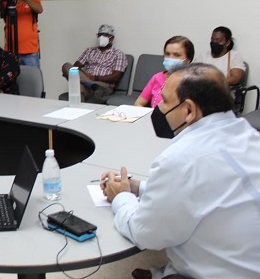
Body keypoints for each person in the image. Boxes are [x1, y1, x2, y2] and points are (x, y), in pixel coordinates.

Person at [101, 63, 260, 279]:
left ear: (188, 111)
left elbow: (144, 234)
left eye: (165, 101)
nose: (159, 108)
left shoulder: (181, 159)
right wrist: (139, 187)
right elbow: (206, 190)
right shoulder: (250, 137)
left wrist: (122, 196)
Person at [61, 24, 128, 101]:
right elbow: (75, 67)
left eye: (105, 35)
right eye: (99, 35)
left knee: (77, 87)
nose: (101, 37)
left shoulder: (118, 54)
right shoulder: (90, 51)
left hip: (103, 85)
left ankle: (89, 88)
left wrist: (95, 77)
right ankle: (92, 85)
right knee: (66, 66)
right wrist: (83, 74)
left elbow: (115, 77)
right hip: (90, 82)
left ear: (112, 37)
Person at [0, 0, 43, 67]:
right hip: (10, 51)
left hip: (30, 51)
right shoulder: (7, 1)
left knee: (32, 79)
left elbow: (39, 9)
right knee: (11, 80)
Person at [134, 36, 194, 107]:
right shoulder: (157, 77)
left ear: (188, 59)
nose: (170, 58)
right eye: (167, 54)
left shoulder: (192, 82)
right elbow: (138, 103)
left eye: (176, 55)